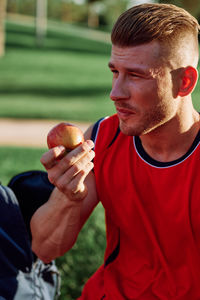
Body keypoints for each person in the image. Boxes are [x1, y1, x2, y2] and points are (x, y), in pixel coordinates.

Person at [30, 3, 200, 299]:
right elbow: (44, 248)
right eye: (115, 72)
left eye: (135, 75)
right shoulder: (102, 139)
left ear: (184, 82)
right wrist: (69, 198)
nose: (115, 92)